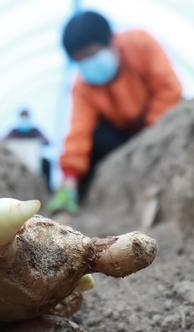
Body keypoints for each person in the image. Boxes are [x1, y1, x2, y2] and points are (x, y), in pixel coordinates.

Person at [48, 11, 182, 213]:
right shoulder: (83, 86)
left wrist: (150, 132)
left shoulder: (140, 45)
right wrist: (70, 177)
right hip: (119, 137)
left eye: (92, 55)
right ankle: (85, 201)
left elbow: (168, 89)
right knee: (97, 139)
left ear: (111, 41)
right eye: (81, 61)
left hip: (157, 125)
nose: (89, 64)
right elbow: (79, 132)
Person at [3, 109, 52, 191]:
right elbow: (3, 141)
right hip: (17, 160)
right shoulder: (14, 131)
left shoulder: (35, 131)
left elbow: (47, 141)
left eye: (26, 117)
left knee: (46, 164)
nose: (24, 119)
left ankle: (47, 188)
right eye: (23, 117)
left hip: (34, 160)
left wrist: (41, 141)